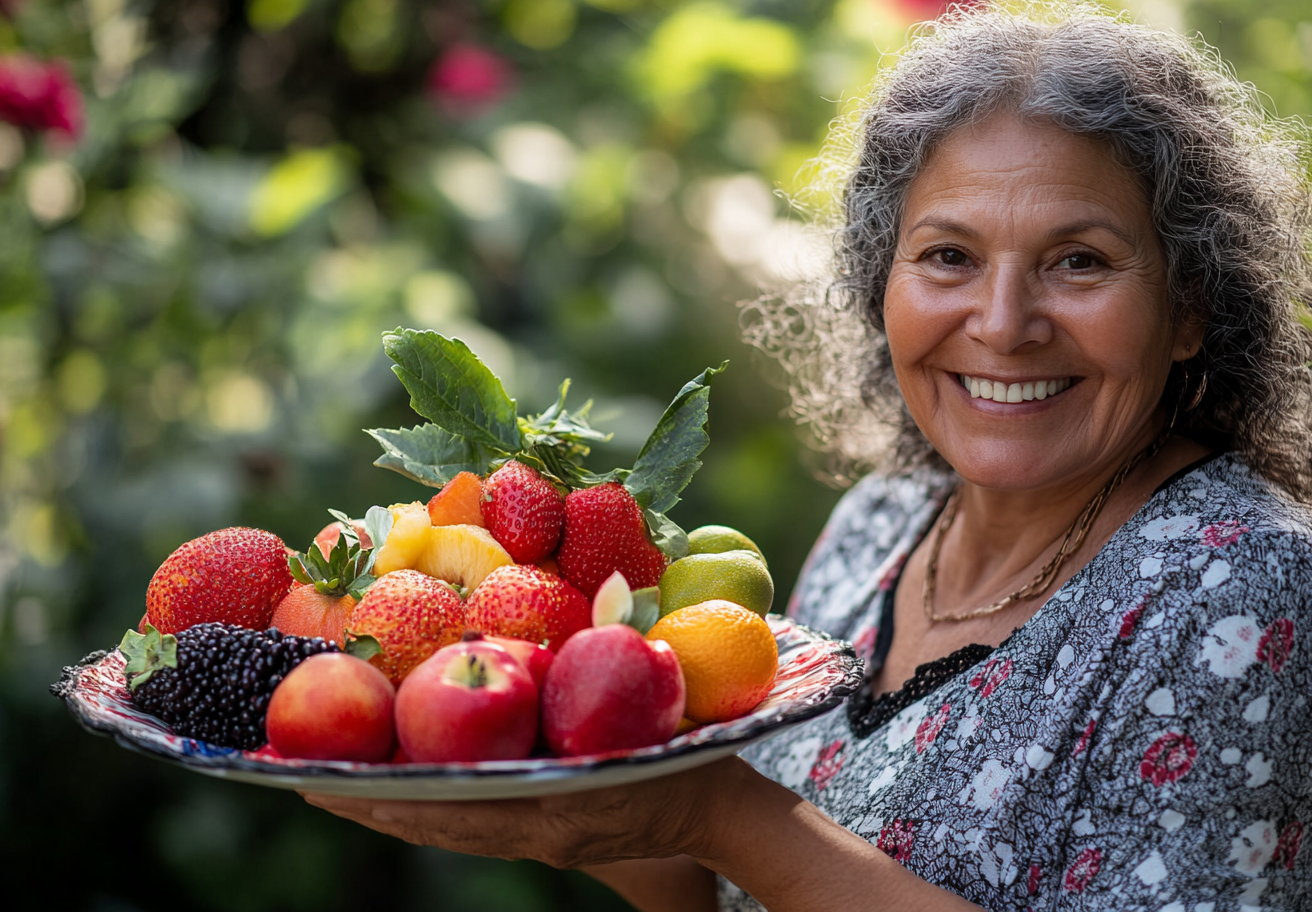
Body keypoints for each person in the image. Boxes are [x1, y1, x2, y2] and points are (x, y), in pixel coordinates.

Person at [303, 5, 1312, 909]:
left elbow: (750, 840)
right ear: (882, 284)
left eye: (1079, 261)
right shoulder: (882, 524)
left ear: (1190, 307)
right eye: (949, 257)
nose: (1003, 324)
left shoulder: (1243, 586)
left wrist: (719, 815)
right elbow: (732, 895)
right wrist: (543, 787)